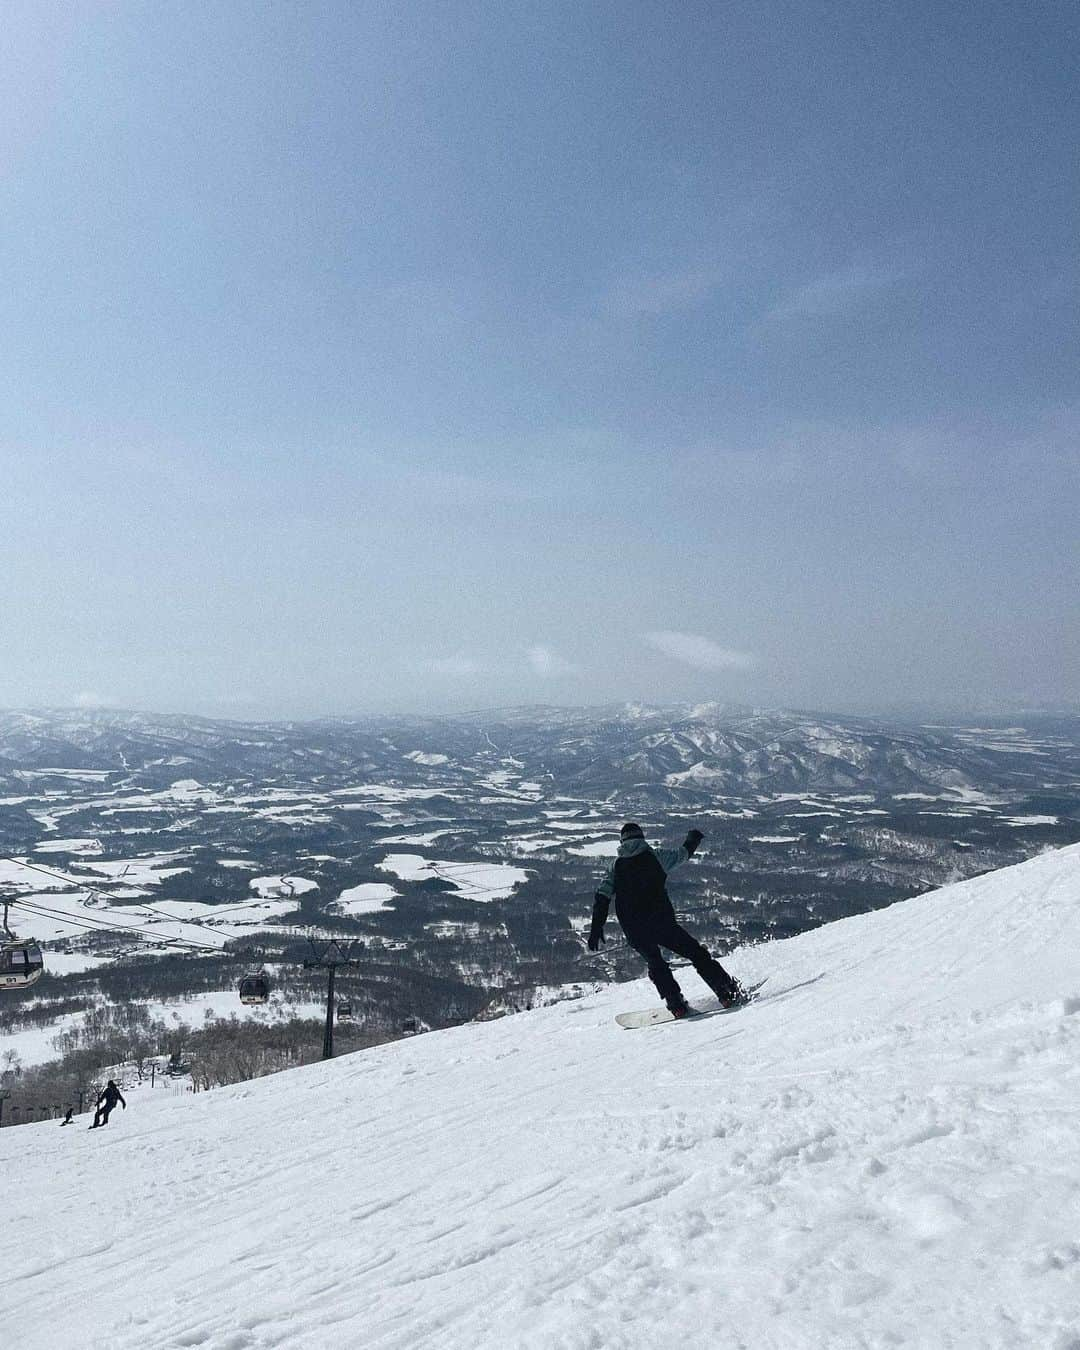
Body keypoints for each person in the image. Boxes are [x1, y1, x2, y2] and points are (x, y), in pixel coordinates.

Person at [588, 822, 744, 1017]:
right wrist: (692, 839)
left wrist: (596, 928)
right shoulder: (656, 856)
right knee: (696, 954)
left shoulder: (615, 866)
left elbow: (602, 897)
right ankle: (726, 992)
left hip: (634, 929)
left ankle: (675, 1004)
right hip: (661, 923)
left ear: (622, 841)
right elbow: (683, 854)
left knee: (656, 964)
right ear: (641, 838)